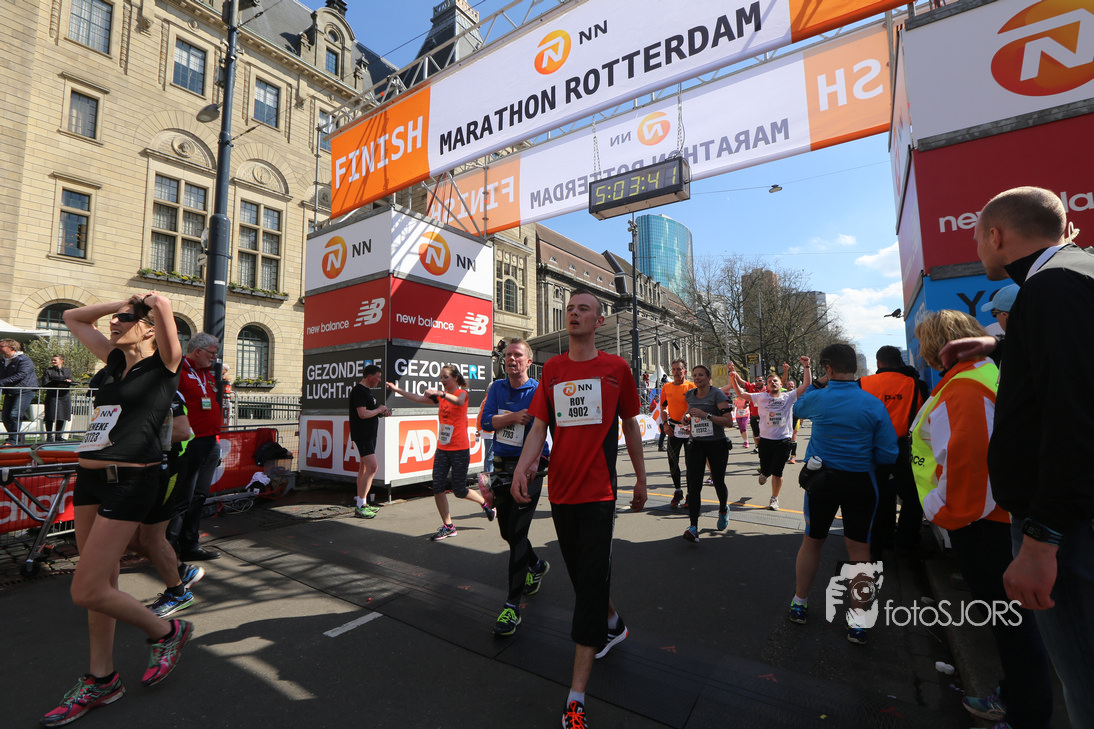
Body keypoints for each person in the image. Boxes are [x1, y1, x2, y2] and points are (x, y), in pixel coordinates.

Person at [940, 186, 1094, 729]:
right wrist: (1001, 345)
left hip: (1068, 530)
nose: (978, 249)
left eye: (977, 239)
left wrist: (1041, 541)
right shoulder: (1076, 275)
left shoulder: (1051, 288)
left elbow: (1075, 418)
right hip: (1071, 520)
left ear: (996, 235)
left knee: (1085, 681)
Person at [43, 293, 188, 727]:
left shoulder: (164, 364)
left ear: (147, 328)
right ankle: (102, 678)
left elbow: (164, 313)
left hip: (131, 482)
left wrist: (151, 302)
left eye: (126, 319)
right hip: (89, 480)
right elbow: (72, 316)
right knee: (102, 584)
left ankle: (166, 632)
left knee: (85, 589)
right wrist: (119, 304)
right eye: (115, 319)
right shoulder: (112, 362)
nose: (114, 323)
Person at [511, 289, 647, 729]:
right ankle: (614, 623)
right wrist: (524, 467)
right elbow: (539, 426)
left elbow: (630, 425)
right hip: (561, 494)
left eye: (583, 309)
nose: (573, 314)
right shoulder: (552, 369)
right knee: (582, 577)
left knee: (587, 589)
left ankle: (575, 699)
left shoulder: (616, 368)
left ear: (599, 320)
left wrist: (641, 478)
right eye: (569, 309)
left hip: (599, 494)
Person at [913, 310, 1052, 729]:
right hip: (998, 518)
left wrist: (939, 511)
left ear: (936, 346)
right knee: (1015, 622)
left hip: (982, 524)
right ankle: (1016, 698)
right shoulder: (985, 375)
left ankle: (1025, 715)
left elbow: (971, 468)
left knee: (1011, 624)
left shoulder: (964, 388)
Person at [787, 343, 897, 645]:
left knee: (812, 541)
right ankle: (858, 621)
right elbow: (888, 453)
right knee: (860, 550)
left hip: (822, 481)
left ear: (828, 368)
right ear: (856, 368)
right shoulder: (873, 403)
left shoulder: (819, 397)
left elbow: (797, 409)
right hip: (861, 481)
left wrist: (819, 382)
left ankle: (800, 602)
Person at [480, 339, 551, 636]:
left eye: (518, 355)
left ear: (529, 362)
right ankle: (537, 565)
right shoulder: (497, 388)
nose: (511, 359)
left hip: (531, 468)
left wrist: (537, 461)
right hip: (501, 467)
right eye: (508, 355)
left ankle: (512, 606)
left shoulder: (537, 390)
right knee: (507, 532)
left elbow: (544, 429)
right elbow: (486, 422)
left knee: (518, 533)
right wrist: (513, 417)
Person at [387, 366, 495, 540]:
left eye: (445, 377)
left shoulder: (461, 394)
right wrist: (396, 389)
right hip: (443, 449)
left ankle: (485, 504)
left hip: (459, 449)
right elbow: (417, 398)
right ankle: (449, 526)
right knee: (437, 487)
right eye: (441, 378)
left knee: (459, 490)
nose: (442, 380)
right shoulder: (441, 398)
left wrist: (440, 393)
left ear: (455, 378)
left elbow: (458, 401)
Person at [137, 389, 206, 618]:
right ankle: (181, 571)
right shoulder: (120, 383)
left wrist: (129, 440)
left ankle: (178, 593)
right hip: (138, 470)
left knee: (150, 537)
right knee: (132, 537)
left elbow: (182, 432)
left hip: (168, 467)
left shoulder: (165, 389)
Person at [859, 345, 929, 560]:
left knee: (877, 496)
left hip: (872, 448)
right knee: (913, 496)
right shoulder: (916, 384)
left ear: (878, 362)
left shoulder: (862, 384)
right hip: (904, 447)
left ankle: (879, 544)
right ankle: (907, 542)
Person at [167, 334, 224, 562]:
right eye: (212, 353)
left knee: (199, 496)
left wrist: (216, 440)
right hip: (188, 443)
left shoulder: (206, 373)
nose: (214, 358)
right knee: (182, 497)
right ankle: (169, 550)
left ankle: (190, 544)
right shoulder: (178, 371)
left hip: (209, 441)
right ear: (198, 351)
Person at [730, 360, 811, 511]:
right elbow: (741, 393)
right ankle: (764, 473)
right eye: (769, 381)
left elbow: (806, 385)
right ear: (767, 386)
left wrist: (807, 366)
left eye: (775, 380)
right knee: (766, 469)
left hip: (784, 441)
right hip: (766, 441)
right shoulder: (761, 397)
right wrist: (732, 377)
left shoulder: (788, 397)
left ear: (781, 384)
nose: (772, 382)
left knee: (778, 472)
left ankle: (774, 498)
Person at [680, 365, 735, 542]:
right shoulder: (690, 395)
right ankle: (693, 527)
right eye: (695, 375)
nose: (697, 378)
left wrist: (706, 415)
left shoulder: (717, 394)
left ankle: (723, 509)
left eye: (701, 375)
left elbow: (728, 422)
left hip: (716, 444)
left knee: (718, 481)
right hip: (696, 444)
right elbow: (689, 413)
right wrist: (685, 418)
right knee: (693, 486)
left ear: (708, 377)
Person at [348, 364, 391, 519]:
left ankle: (362, 503)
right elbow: (362, 414)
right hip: (363, 435)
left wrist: (381, 413)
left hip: (369, 435)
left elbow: (369, 412)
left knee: (364, 468)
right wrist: (379, 410)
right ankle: (360, 505)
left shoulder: (367, 391)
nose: (379, 380)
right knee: (372, 467)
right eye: (378, 377)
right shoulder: (359, 390)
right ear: (370, 376)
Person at [659, 359, 695, 509]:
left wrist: (690, 421)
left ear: (685, 371)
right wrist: (665, 424)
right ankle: (678, 491)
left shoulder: (691, 387)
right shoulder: (666, 387)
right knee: (672, 462)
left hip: (689, 428)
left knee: (690, 463)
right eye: (674, 369)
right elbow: (663, 407)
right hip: (673, 429)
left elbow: (696, 406)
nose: (676, 372)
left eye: (679, 369)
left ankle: (691, 494)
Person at [0, 338, 39, 444]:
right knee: (5, 417)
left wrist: (2, 382)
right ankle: (16, 436)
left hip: (25, 390)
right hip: (11, 391)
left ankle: (13, 441)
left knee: (14, 415)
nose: (0, 348)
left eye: (2, 346)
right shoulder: (3, 360)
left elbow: (21, 374)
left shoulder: (23, 360)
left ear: (11, 348)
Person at [42, 354, 74, 442]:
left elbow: (70, 379)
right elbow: (45, 382)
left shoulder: (67, 371)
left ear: (61, 361)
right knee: (50, 415)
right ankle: (49, 436)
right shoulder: (48, 371)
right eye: (52, 360)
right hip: (52, 395)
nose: (53, 362)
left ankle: (58, 436)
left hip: (64, 396)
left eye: (55, 360)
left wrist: (69, 381)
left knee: (61, 415)